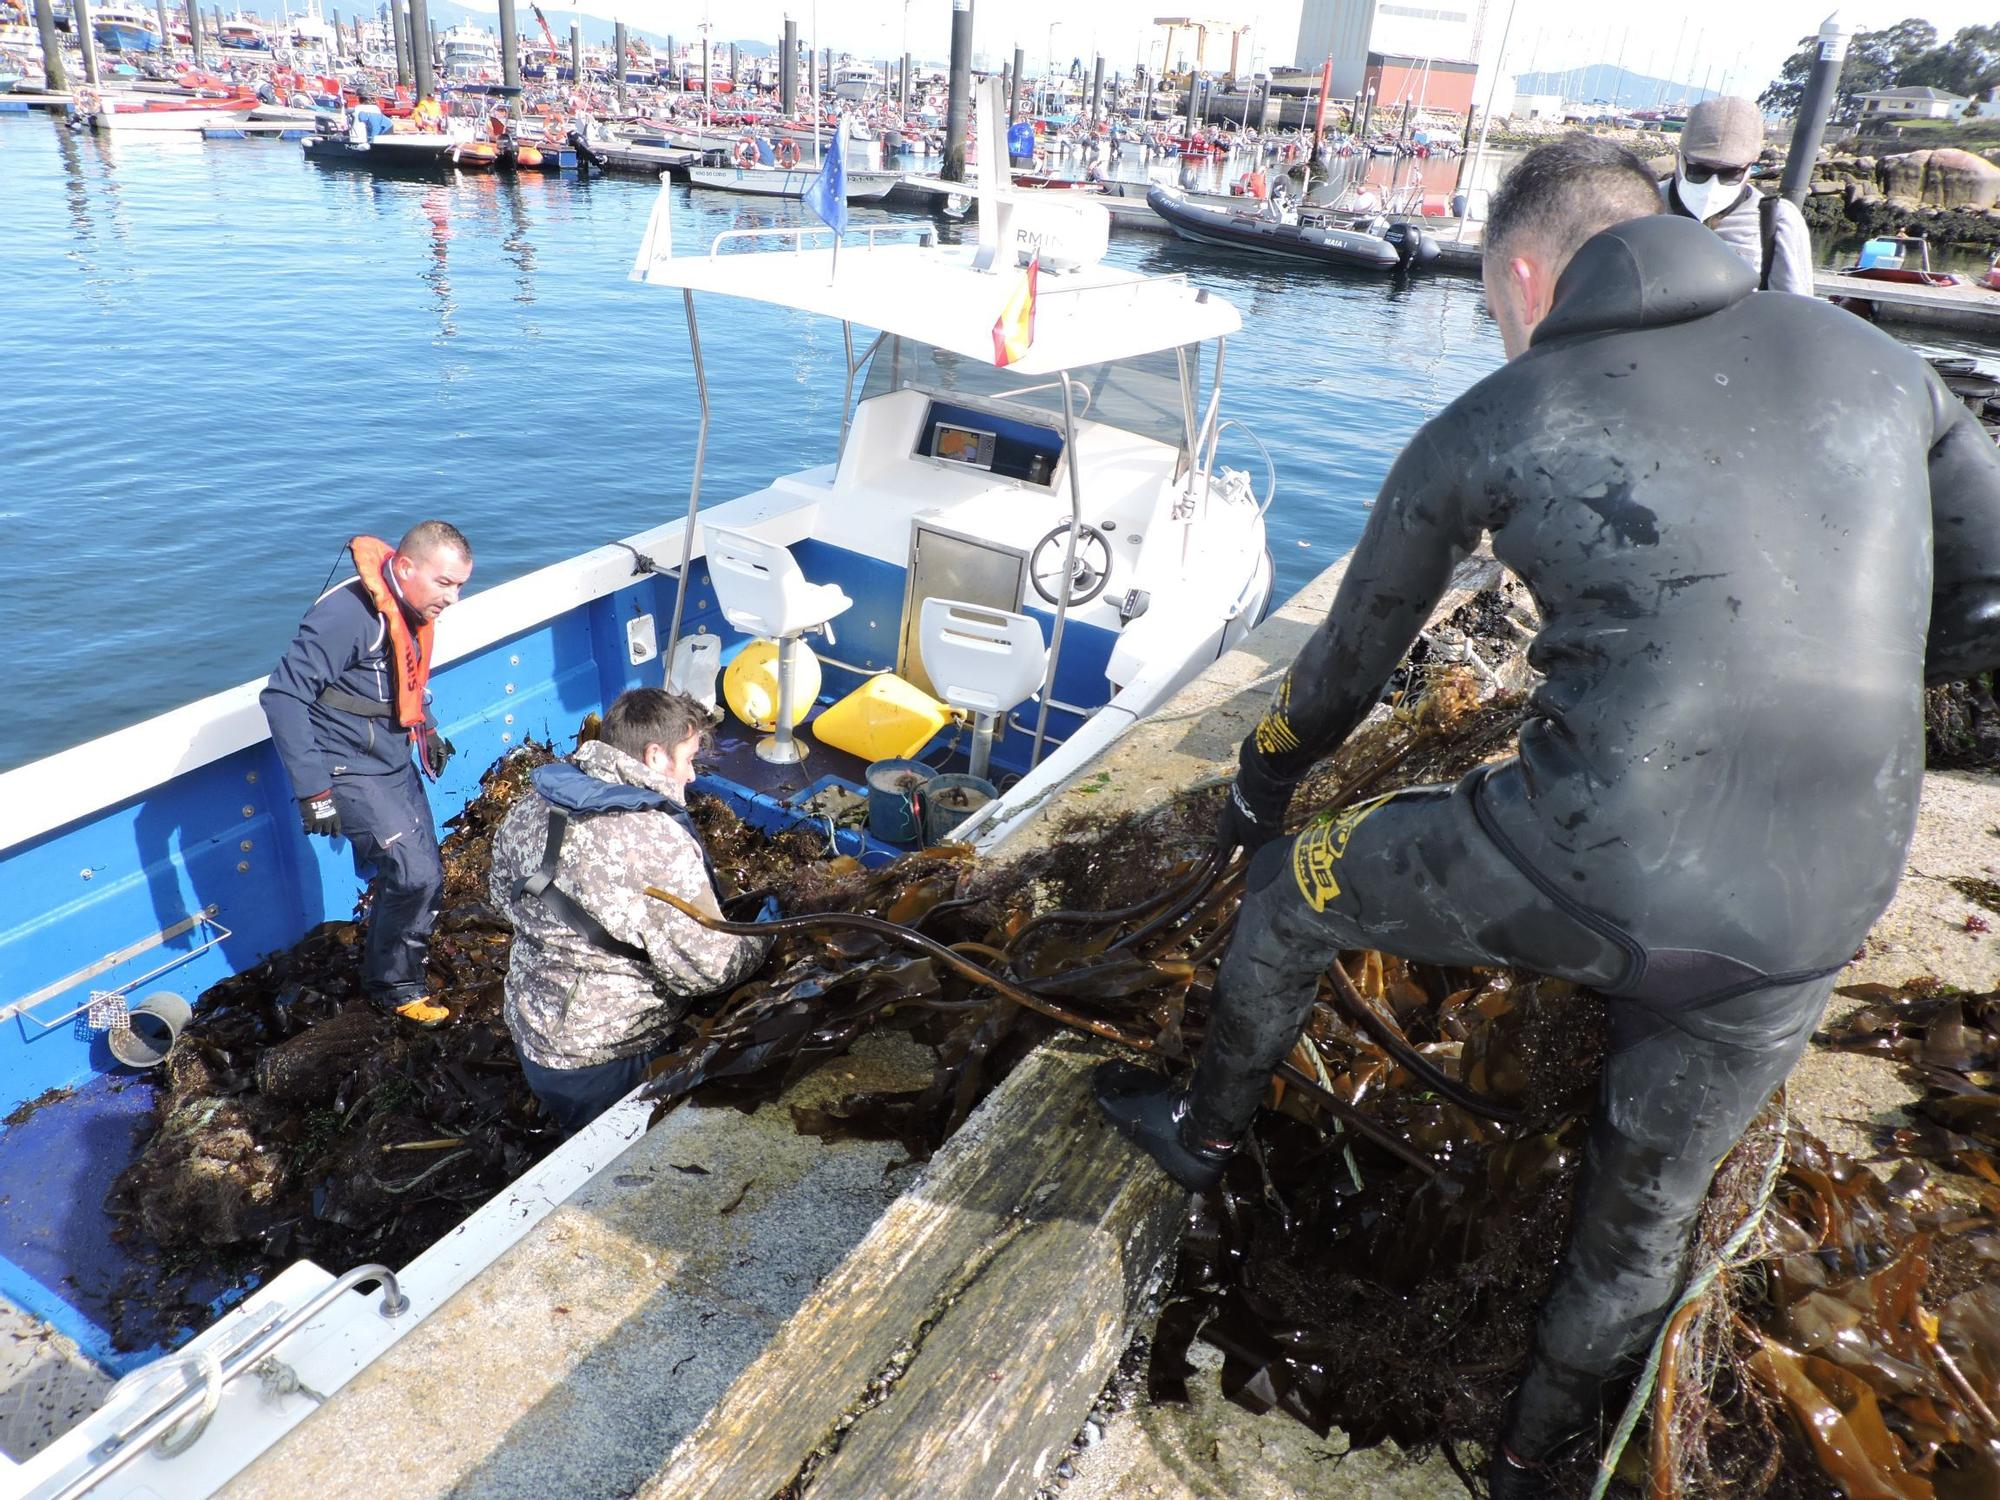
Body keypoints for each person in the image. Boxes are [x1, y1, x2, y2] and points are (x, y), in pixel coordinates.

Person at [1091, 134, 2000, 1494]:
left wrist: (1262, 783)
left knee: (1295, 888)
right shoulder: (1877, 361)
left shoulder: (1502, 421)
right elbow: (1982, 607)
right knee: (1641, 1220)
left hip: (1590, 859)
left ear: (1527, 275)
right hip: (1822, 899)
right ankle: (1535, 1456)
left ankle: (1200, 1133)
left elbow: (1337, 677)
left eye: (1489, 303)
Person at [489, 688, 774, 1133]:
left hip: (531, 1034)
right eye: (690, 757)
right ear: (656, 756)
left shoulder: (533, 804)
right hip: (602, 1061)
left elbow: (501, 897)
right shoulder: (655, 841)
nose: (694, 775)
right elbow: (709, 972)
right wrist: (766, 933)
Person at [262, 522, 472, 1026]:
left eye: (461, 585)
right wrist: (314, 791)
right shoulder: (347, 616)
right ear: (404, 567)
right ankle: (394, 989)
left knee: (425, 871)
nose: (454, 597)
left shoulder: (409, 607)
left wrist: (429, 728)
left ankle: (397, 961)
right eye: (445, 583)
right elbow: (282, 696)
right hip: (345, 764)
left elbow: (401, 681)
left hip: (391, 758)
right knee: (414, 873)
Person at [1663, 94, 1812, 295]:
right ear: (1678, 158)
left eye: (1730, 173)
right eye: (1699, 171)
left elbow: (1794, 310)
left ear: (1751, 166)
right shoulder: (1642, 203)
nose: (1712, 184)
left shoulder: (1778, 220)